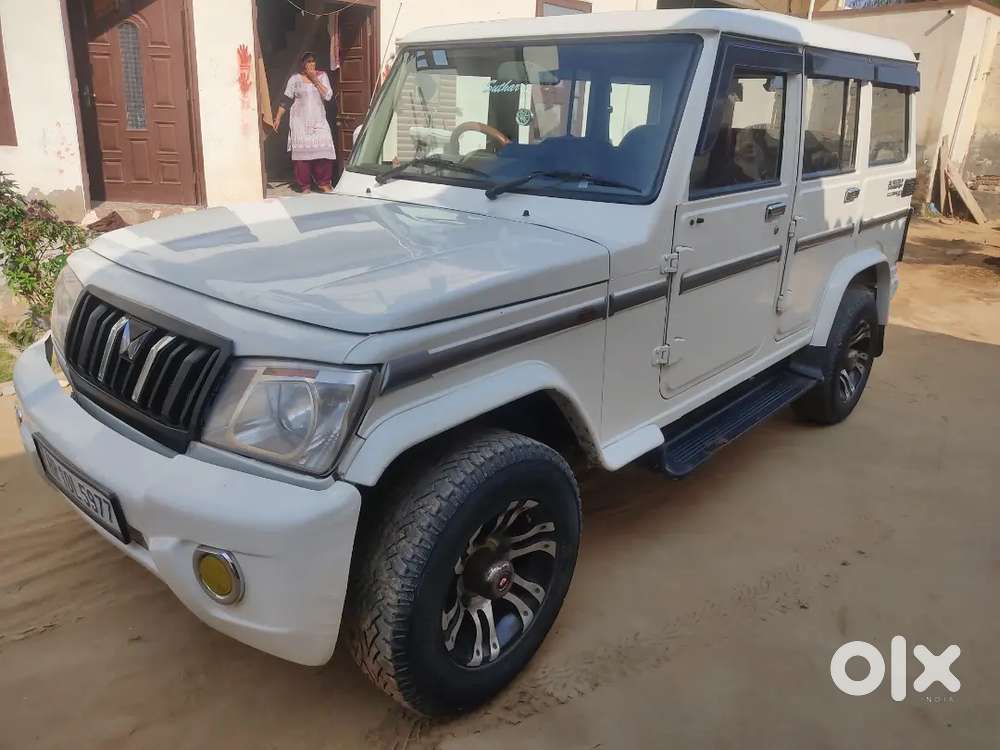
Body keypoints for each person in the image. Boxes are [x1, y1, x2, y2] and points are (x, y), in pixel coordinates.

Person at [273, 52, 336, 193]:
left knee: (324, 152)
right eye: (308, 61)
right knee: (302, 158)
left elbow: (328, 96)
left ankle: (323, 183)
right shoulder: (294, 79)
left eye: (313, 61)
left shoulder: (322, 76)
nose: (311, 64)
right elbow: (286, 100)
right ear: (302, 64)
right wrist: (278, 118)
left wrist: (315, 80)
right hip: (300, 122)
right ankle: (305, 185)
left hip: (319, 121)